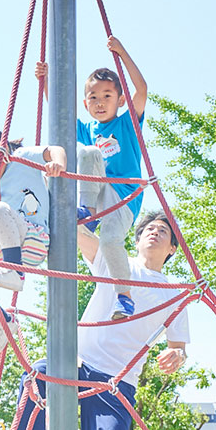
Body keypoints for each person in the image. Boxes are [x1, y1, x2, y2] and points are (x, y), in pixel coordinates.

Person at [0, 211, 190, 430]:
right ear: (138, 238)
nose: (154, 233)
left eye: (163, 231)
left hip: (117, 382)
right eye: (149, 229)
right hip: (78, 362)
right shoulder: (117, 262)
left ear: (172, 248)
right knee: (37, 376)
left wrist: (177, 355)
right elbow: (77, 235)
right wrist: (69, 197)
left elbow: (179, 344)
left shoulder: (174, 291)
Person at [35, 35, 149, 320]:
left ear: (120, 100)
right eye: (94, 98)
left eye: (107, 96)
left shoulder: (127, 123)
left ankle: (124, 298)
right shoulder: (87, 129)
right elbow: (61, 116)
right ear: (86, 104)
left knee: (111, 242)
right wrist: (46, 82)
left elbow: (142, 89)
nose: (100, 102)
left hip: (124, 197)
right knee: (87, 152)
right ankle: (89, 211)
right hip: (96, 194)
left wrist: (121, 52)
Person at [0, 125, 66, 355]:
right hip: (10, 248)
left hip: (34, 239)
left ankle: (14, 272)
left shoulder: (21, 158)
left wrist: (57, 163)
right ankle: (3, 320)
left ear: (1, 148)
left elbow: (54, 149)